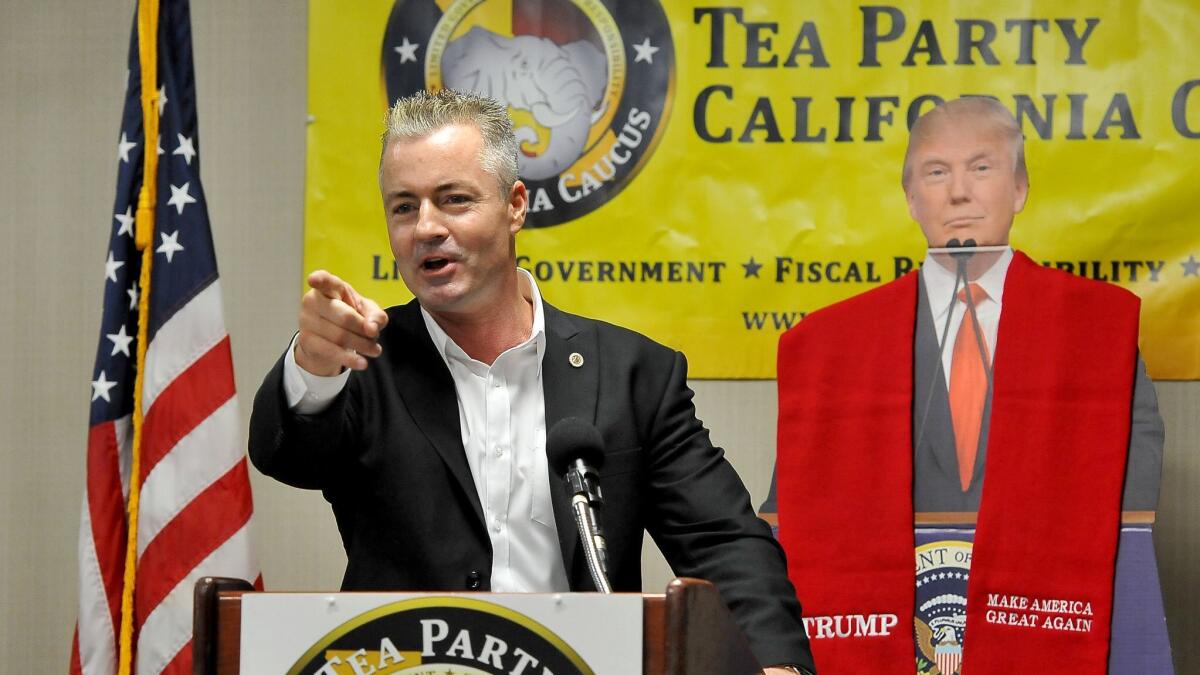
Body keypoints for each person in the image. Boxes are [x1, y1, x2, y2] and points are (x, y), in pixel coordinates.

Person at [249, 89, 815, 675]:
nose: (425, 228)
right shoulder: (365, 362)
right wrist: (314, 365)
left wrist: (771, 663)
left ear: (515, 205)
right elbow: (287, 456)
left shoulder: (632, 374)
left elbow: (723, 542)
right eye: (403, 207)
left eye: (454, 200)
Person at [772, 96, 1163, 673]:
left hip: (1055, 623)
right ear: (911, 199)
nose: (959, 192)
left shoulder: (1094, 328)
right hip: (880, 632)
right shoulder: (829, 342)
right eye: (936, 172)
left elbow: (1136, 475)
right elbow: (793, 507)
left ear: (1020, 189)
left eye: (981, 168)